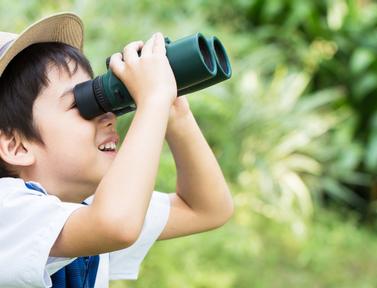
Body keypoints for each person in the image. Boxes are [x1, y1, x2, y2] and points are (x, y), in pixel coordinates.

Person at [0, 11, 233, 288]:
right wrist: (153, 100)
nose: (109, 115)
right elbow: (115, 224)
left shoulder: (86, 208)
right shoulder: (8, 212)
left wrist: (175, 113)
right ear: (16, 145)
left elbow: (206, 209)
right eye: (80, 103)